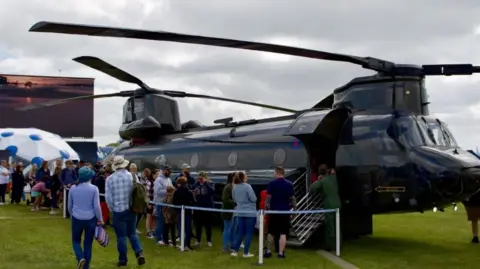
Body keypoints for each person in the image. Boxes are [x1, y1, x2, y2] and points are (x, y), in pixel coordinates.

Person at [105, 156, 145, 267]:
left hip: (118, 210)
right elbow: (138, 193)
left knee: (121, 236)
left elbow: (108, 197)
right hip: (132, 208)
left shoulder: (110, 179)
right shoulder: (133, 176)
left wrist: (112, 208)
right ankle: (139, 252)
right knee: (132, 233)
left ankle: (123, 260)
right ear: (125, 164)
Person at [68, 166, 103, 269]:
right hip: (90, 219)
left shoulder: (73, 188)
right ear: (89, 177)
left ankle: (80, 258)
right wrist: (100, 219)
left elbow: (69, 205)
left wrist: (72, 214)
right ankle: (86, 266)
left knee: (75, 241)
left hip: (76, 218)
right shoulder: (94, 188)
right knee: (88, 244)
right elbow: (97, 206)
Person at [265, 166, 296, 258]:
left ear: (277, 173)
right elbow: (293, 199)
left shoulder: (271, 183)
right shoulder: (290, 184)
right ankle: (281, 253)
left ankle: (268, 251)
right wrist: (294, 210)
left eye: (274, 172)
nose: (273, 174)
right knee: (283, 233)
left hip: (274, 211)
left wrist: (267, 210)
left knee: (270, 232)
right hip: (285, 212)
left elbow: (268, 199)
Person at [309, 164, 342, 252]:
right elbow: (333, 171)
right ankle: (339, 243)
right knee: (337, 224)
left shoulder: (322, 181)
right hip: (338, 202)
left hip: (329, 204)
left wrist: (317, 180)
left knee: (330, 226)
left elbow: (312, 189)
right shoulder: (333, 178)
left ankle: (330, 245)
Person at [231, 172, 257, 258]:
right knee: (249, 233)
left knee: (240, 232)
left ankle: (235, 251)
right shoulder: (247, 186)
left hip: (240, 212)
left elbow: (234, 199)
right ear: (243, 177)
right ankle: (246, 253)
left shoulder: (234, 187)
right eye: (246, 175)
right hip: (250, 213)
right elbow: (253, 199)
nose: (247, 176)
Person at [192, 171, 215, 247]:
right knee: (198, 225)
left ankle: (209, 240)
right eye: (199, 178)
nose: (200, 179)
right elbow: (192, 190)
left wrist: (206, 183)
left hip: (208, 207)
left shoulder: (210, 183)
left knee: (208, 225)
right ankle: (198, 240)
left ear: (205, 178)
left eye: (202, 178)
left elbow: (212, 192)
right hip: (198, 208)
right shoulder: (196, 184)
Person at [172, 176, 196, 251]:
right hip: (188, 212)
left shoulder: (176, 192)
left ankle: (182, 244)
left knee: (180, 228)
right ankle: (187, 245)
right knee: (188, 229)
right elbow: (193, 201)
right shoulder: (189, 192)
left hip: (179, 212)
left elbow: (174, 202)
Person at [154, 165, 173, 245]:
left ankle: (165, 238)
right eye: (168, 171)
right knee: (161, 221)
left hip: (167, 203)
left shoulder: (169, 179)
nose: (169, 172)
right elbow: (158, 191)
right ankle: (158, 238)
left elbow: (171, 188)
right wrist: (168, 192)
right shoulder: (158, 180)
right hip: (160, 203)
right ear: (164, 170)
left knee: (167, 221)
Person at [221, 172, 236, 252]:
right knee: (227, 228)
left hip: (234, 211)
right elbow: (224, 199)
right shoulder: (228, 187)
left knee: (233, 228)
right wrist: (234, 203)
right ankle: (225, 246)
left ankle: (233, 244)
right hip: (228, 211)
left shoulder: (235, 186)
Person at [129, 163, 144, 234]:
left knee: (139, 213)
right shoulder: (129, 176)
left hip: (137, 196)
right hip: (132, 197)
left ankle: (134, 227)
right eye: (134, 168)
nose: (135, 169)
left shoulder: (136, 176)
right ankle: (132, 228)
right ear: (130, 169)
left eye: (136, 168)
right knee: (133, 213)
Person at [143, 168, 157, 239]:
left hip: (155, 202)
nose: (157, 176)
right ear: (153, 174)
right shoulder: (149, 182)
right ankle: (149, 231)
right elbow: (146, 193)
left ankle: (154, 230)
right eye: (156, 174)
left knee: (154, 217)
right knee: (149, 217)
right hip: (149, 202)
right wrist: (148, 203)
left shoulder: (156, 182)